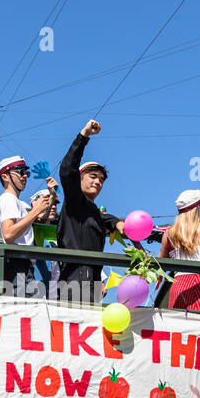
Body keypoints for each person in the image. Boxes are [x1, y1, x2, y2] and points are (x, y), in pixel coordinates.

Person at [57, 119, 120, 304]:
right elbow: (67, 170)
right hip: (73, 281)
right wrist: (84, 135)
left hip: (92, 283)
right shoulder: (74, 202)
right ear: (80, 179)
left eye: (101, 180)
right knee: (72, 329)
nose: (97, 182)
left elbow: (104, 217)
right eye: (93, 176)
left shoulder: (95, 212)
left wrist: (118, 223)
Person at [0, 155, 51, 297]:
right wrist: (36, 210)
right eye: (20, 172)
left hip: (19, 264)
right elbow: (9, 234)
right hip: (16, 263)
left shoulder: (12, 200)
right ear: (5, 177)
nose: (24, 176)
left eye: (26, 173)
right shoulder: (8, 199)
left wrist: (52, 196)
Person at [159, 188, 200, 311]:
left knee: (179, 327)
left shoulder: (169, 233)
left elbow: (160, 264)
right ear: (198, 209)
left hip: (180, 288)